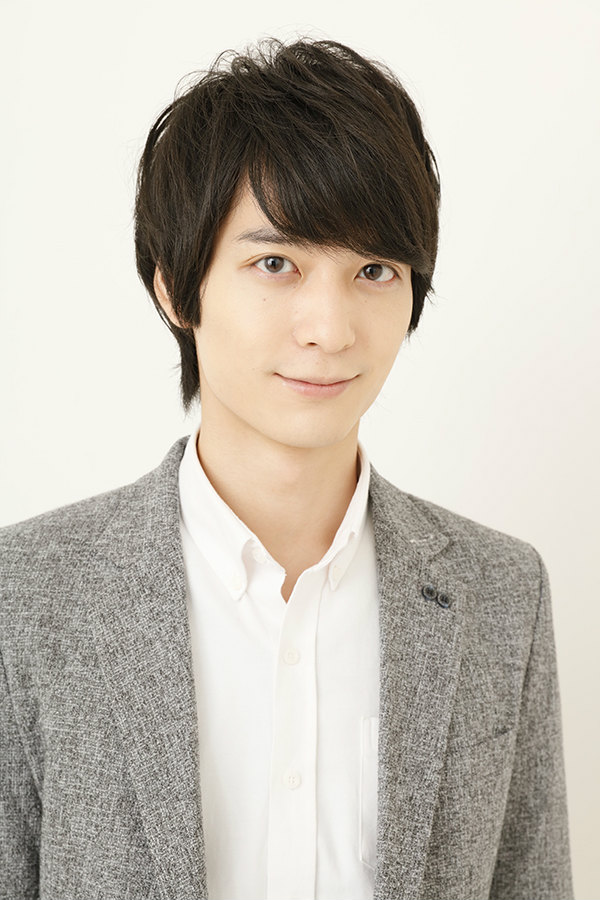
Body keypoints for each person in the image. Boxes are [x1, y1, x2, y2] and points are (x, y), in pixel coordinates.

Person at [0, 38, 572, 900]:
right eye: (277, 264)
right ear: (175, 286)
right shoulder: (28, 594)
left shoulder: (502, 593)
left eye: (373, 270)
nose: (330, 329)